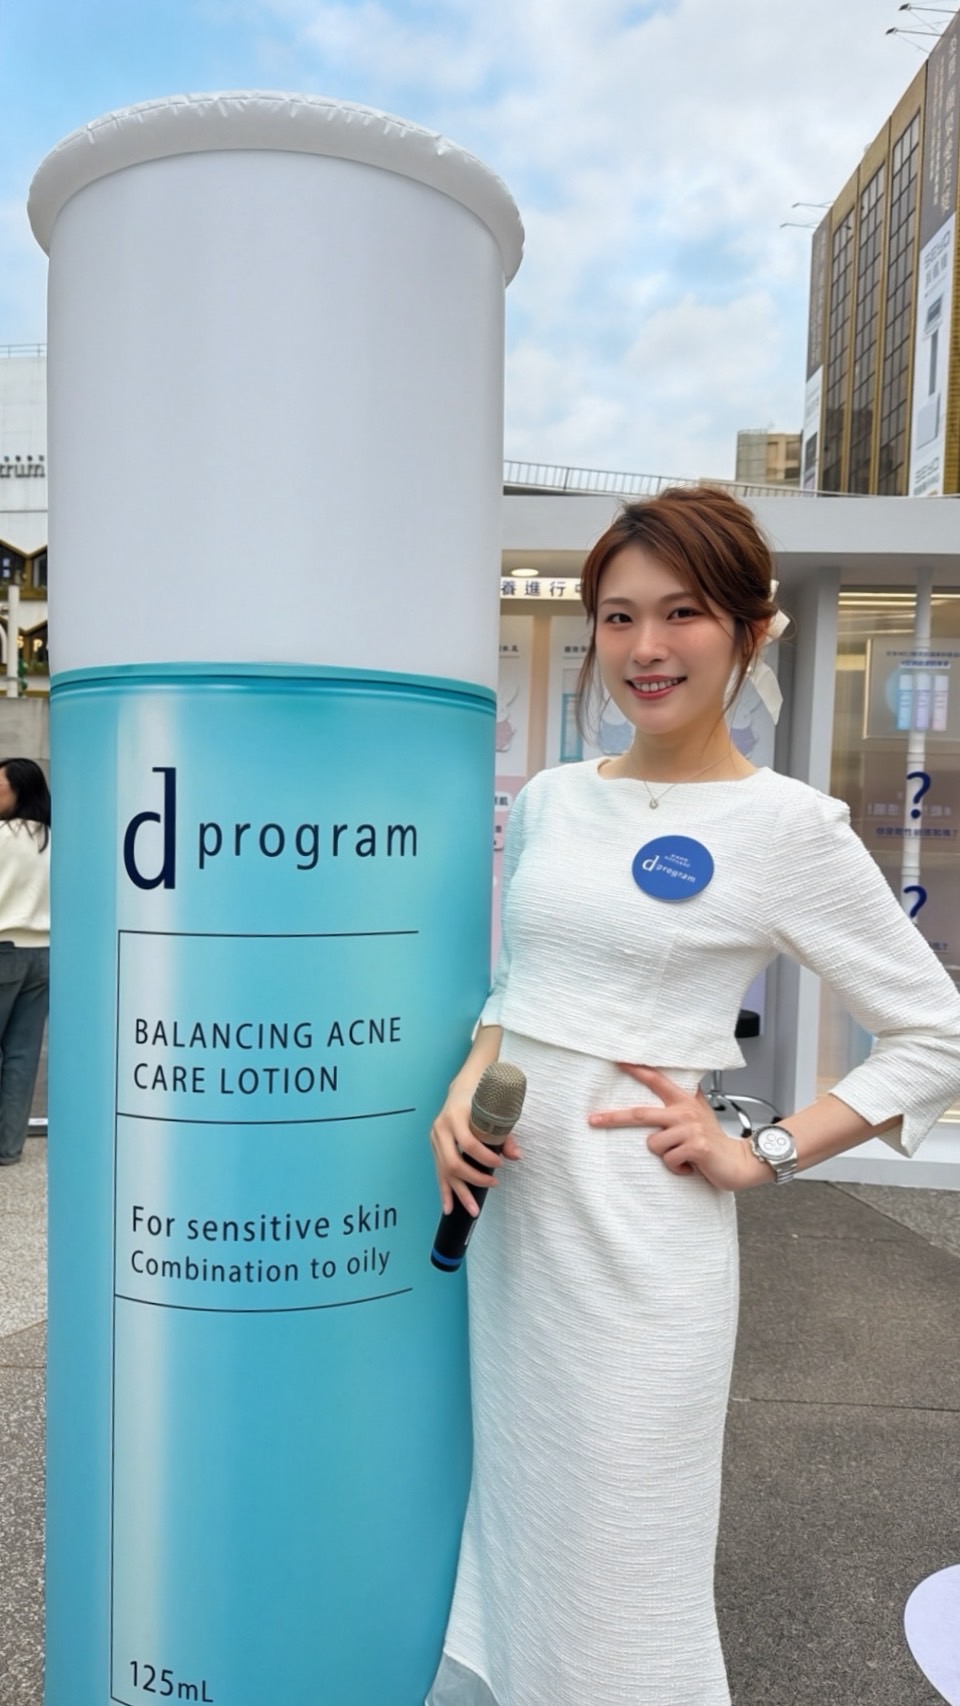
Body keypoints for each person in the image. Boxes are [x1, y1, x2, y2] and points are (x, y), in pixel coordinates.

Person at [426, 486, 960, 1706]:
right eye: (619, 616)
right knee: (516, 1516)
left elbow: (937, 1029)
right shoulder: (553, 798)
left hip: (641, 1249)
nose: (646, 647)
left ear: (749, 630)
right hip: (515, 1231)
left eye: (683, 613)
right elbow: (517, 981)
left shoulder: (791, 827)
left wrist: (762, 1148)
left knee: (621, 1556)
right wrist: (465, 1085)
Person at [0, 757, 50, 1166]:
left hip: (3, 949)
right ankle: (8, 1147)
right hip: (45, 954)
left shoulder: (1, 836)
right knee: (22, 1054)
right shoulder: (56, 838)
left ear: (19, 790)